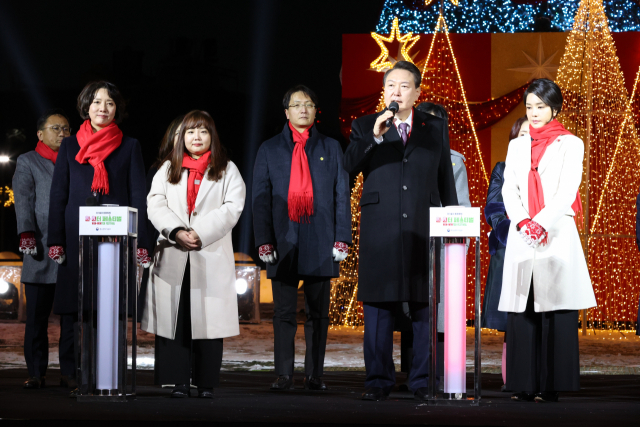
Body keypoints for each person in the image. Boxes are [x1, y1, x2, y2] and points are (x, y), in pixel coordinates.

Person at [344, 61, 458, 401]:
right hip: (381, 228)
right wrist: (374, 137)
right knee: (378, 307)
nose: (396, 91)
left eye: (404, 86)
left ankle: (422, 381)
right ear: (384, 90)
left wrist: (451, 223)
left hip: (424, 226)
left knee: (424, 304)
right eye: (390, 85)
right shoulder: (366, 125)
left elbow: (445, 181)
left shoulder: (433, 126)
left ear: (418, 92)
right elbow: (348, 166)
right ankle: (378, 381)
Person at [47, 81, 151, 397]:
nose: (102, 108)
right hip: (75, 237)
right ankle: (76, 374)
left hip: (113, 241)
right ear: (85, 107)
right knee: (75, 309)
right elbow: (58, 195)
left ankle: (110, 375)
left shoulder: (129, 145)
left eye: (109, 103)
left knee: (111, 309)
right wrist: (56, 239)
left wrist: (142, 241)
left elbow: (138, 194)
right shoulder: (68, 147)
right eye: (96, 102)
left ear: (117, 108)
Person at [499, 78, 597, 403]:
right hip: (523, 232)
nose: (534, 113)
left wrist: (540, 222)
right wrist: (523, 220)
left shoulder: (572, 143)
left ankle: (551, 385)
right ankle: (524, 384)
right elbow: (508, 188)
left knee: (554, 308)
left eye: (540, 106)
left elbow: (567, 191)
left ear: (554, 108)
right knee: (524, 309)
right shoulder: (516, 145)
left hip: (555, 232)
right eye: (529, 107)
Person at [252, 85, 351, 391]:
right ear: (287, 112)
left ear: (315, 110)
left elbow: (341, 196)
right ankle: (283, 374)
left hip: (321, 240)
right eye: (297, 105)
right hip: (283, 241)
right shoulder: (269, 149)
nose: (303, 109)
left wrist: (342, 238)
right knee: (283, 312)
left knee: (318, 314)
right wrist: (264, 240)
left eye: (308, 104)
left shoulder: (331, 147)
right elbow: (260, 198)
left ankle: (314, 375)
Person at [142, 110, 245, 398]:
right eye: (190, 132)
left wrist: (200, 232)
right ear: (181, 137)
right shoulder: (168, 169)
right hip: (174, 252)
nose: (196, 137)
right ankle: (177, 381)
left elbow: (233, 207)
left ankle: (206, 382)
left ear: (212, 136)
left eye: (202, 131)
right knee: (176, 319)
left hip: (207, 251)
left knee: (207, 320)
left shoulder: (227, 169)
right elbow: (155, 204)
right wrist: (176, 231)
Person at [12, 109, 76, 390]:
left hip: (70, 250)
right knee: (36, 318)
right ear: (40, 134)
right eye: (55, 128)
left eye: (66, 129)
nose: (62, 133)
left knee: (71, 320)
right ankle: (36, 373)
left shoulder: (77, 160)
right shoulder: (28, 161)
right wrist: (26, 233)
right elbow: (23, 198)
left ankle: (69, 372)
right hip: (39, 249)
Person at [482, 116, 529, 391]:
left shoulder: (547, 169)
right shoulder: (502, 168)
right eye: (520, 135)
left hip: (540, 249)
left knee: (535, 315)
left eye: (530, 134)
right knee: (512, 322)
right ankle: (511, 378)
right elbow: (494, 209)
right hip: (510, 247)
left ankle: (534, 376)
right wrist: (513, 233)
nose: (526, 139)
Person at [139, 115, 184, 320]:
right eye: (181, 133)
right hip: (165, 246)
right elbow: (150, 214)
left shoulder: (215, 170)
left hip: (199, 248)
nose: (187, 138)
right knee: (164, 316)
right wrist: (146, 248)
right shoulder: (158, 170)